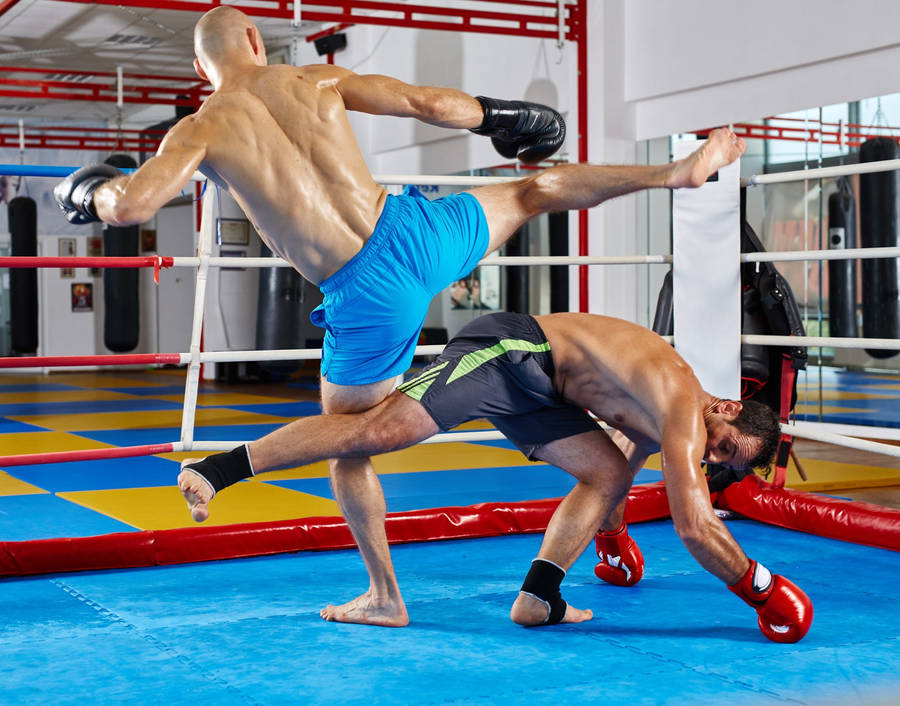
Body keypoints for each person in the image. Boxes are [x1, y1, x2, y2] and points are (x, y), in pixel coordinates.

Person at [55, 4, 747, 625]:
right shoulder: (315, 80)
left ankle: (383, 592)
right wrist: (500, 116)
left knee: (351, 443)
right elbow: (430, 105)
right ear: (256, 43)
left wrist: (93, 195)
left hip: (365, 294)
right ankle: (672, 173)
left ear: (203, 66)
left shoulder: (199, 129)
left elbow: (133, 207)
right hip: (416, 232)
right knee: (535, 189)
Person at [177, 311, 813, 643]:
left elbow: (618, 480)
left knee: (603, 471)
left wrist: (613, 540)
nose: (710, 456)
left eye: (721, 463)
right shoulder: (680, 403)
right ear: (725, 407)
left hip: (541, 392)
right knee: (378, 432)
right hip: (510, 352)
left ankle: (539, 597)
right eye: (724, 445)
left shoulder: (664, 423)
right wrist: (762, 588)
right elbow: (694, 525)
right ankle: (219, 468)